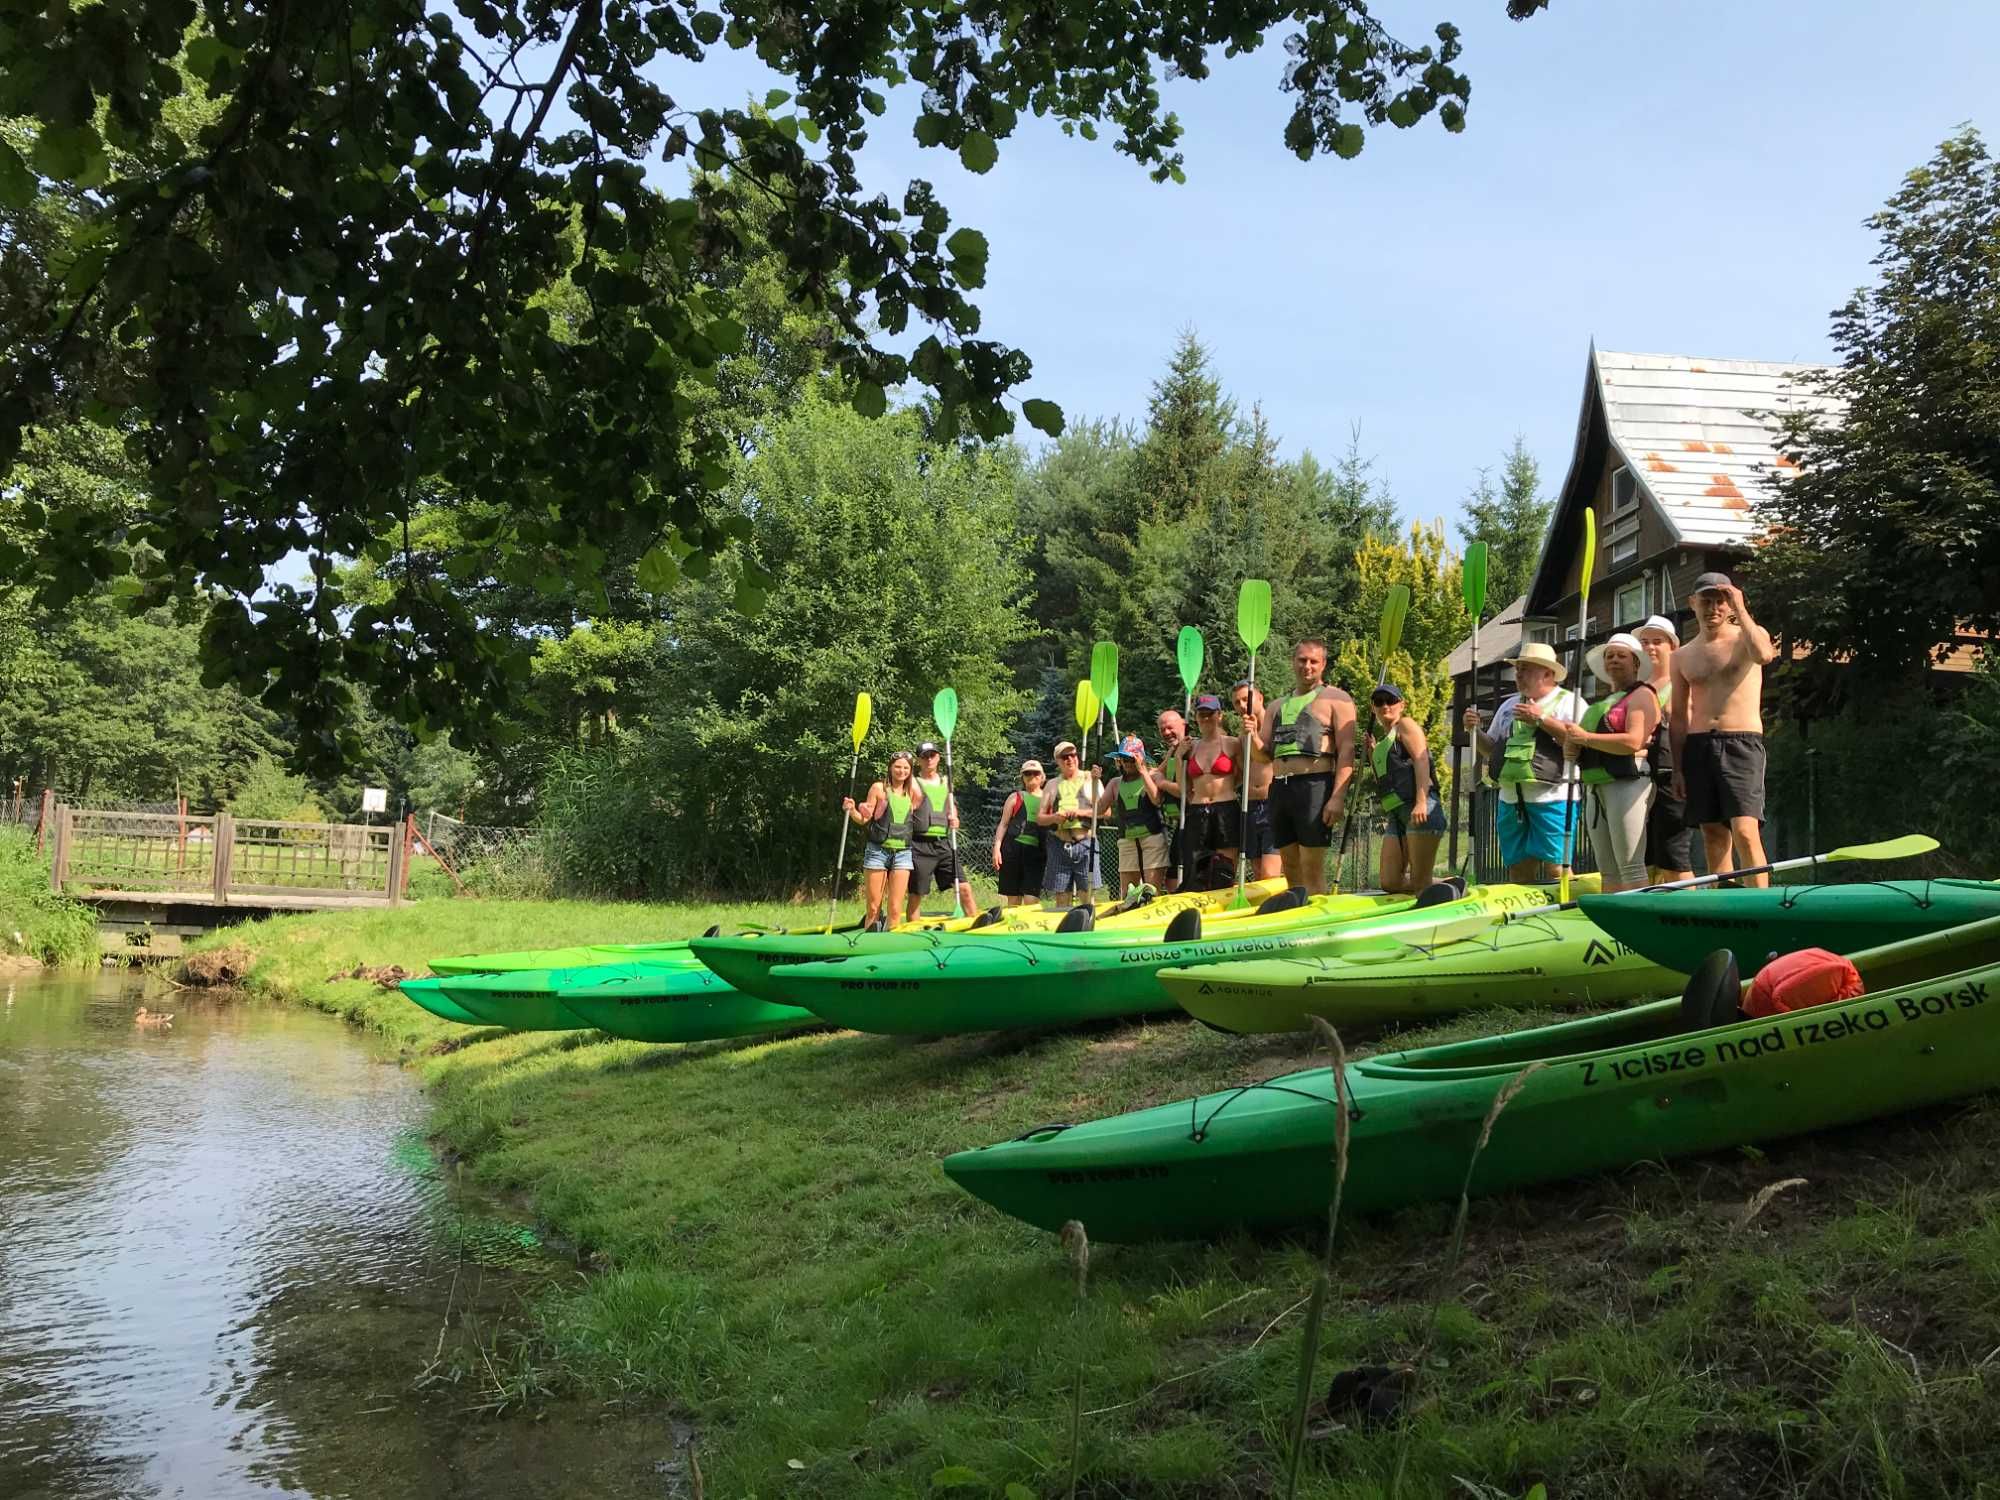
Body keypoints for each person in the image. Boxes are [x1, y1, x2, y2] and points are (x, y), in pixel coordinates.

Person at [1670, 573, 1778, 887]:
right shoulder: (1682, 655)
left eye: (1720, 600)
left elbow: (1765, 655)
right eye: (1706, 600)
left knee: (1745, 831)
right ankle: (1725, 907)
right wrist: (1677, 768)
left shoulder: (1748, 636)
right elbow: (1678, 717)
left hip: (1741, 742)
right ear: (1693, 603)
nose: (1713, 607)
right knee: (1713, 835)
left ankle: (1760, 908)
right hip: (1699, 745)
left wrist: (1740, 607)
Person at [1464, 641, 1582, 883]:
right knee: (1518, 871)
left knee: (1557, 871)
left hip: (1554, 798)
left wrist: (1542, 720)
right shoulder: (1508, 705)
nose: (1518, 674)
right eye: (1518, 669)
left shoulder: (1570, 703)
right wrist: (1474, 731)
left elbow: (1580, 743)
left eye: (1526, 668)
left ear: (1548, 673)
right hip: (1510, 801)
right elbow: (1492, 751)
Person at [1553, 632, 1660, 892]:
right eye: (1609, 656)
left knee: (1630, 864)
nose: (1614, 660)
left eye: (1621, 656)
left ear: (1636, 663)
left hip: (1628, 783)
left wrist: (1585, 738)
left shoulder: (1642, 695)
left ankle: (1638, 923)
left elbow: (1634, 741)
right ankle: (1614, 926)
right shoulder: (1602, 704)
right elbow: (1581, 744)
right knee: (1607, 869)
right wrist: (1572, 745)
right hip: (1596, 786)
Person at [1253, 637, 1356, 895]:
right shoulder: (1277, 706)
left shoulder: (1338, 700)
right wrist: (1250, 735)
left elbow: (1346, 750)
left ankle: (1319, 921)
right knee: (1290, 866)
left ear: (1323, 665)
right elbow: (1264, 755)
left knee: (1312, 867)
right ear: (1293, 662)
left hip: (1315, 786)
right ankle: (1296, 913)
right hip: (1280, 788)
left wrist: (1338, 797)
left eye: (1313, 661)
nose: (1306, 666)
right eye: (1302, 660)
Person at [1365, 684, 1445, 893]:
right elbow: (1383, 780)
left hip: (1418, 807)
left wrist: (1421, 801)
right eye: (1379, 702)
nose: (1385, 706)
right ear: (1373, 707)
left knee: (1419, 881)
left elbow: (1421, 761)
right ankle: (1446, 884)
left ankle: (1436, 895)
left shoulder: (1406, 725)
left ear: (1401, 704)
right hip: (1396, 814)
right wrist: (1372, 754)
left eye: (1390, 701)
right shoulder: (1382, 743)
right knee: (1390, 882)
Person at [1157, 694, 1239, 889]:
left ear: (1219, 715)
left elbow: (1241, 775)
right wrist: (1178, 757)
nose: (1206, 718)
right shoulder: (1190, 747)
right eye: (1202, 714)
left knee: (1224, 868)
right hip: (1197, 810)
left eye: (1210, 714)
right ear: (1196, 717)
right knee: (1196, 868)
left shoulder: (1232, 744)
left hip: (1225, 809)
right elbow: (1185, 787)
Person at [1634, 614, 1694, 883]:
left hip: (1673, 776)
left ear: (1673, 647)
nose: (1649, 647)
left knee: (1673, 855)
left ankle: (1688, 912)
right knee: (1648, 857)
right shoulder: (1639, 688)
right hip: (1638, 780)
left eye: (1657, 641)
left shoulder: (1682, 683)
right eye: (1644, 642)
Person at [843, 750, 927, 929]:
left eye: (906, 768)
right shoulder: (878, 788)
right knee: (873, 908)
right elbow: (864, 819)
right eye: (897, 766)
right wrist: (852, 810)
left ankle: (891, 947)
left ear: (910, 771)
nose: (901, 771)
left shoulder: (912, 792)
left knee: (896, 909)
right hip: (878, 852)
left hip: (903, 853)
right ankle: (869, 943)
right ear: (890, 767)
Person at [906, 741, 978, 921]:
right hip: (919, 845)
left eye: (932, 755)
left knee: (964, 889)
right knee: (916, 894)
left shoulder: (947, 782)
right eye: (924, 756)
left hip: (943, 844)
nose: (929, 759)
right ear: (919, 760)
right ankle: (912, 934)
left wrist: (955, 817)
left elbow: (951, 807)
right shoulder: (913, 783)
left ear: (938, 757)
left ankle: (976, 925)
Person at [1096, 735, 1172, 896]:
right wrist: (1095, 782)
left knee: (1151, 892)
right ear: (1120, 760)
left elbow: (1157, 799)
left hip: (1152, 839)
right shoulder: (1115, 783)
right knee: (1128, 895)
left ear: (1140, 758)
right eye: (1124, 759)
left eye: (1132, 758)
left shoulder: (1152, 775)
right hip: (1127, 841)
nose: (1128, 763)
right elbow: (1099, 809)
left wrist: (1143, 771)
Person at [1035, 740, 1102, 907]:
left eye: (1073, 755)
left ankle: (1087, 928)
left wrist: (1080, 813)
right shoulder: (1052, 784)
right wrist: (1055, 818)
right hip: (1059, 845)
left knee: (1087, 897)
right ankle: (1065, 930)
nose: (1070, 759)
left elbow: (1104, 812)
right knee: (1062, 900)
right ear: (1058, 760)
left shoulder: (1090, 778)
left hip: (1086, 843)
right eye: (1065, 756)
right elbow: (1040, 818)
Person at [1230, 681, 1283, 880]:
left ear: (1260, 698)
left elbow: (1269, 756)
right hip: (1249, 807)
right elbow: (1242, 771)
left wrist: (1254, 735)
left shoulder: (1275, 726)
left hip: (1272, 803)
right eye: (1237, 702)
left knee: (1270, 874)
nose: (1242, 705)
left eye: (1246, 699)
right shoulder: (1242, 736)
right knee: (1259, 872)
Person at [991, 760, 1048, 907]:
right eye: (1027, 773)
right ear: (1022, 777)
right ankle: (1013, 929)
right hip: (1012, 851)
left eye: (1035, 773)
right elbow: (1003, 824)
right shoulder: (1015, 797)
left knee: (1031, 899)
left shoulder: (1048, 799)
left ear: (1042, 777)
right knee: (1014, 900)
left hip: (1036, 853)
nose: (1031, 776)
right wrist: (996, 849)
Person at [1154, 709, 1188, 890]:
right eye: (1162, 729)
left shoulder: (1190, 748)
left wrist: (1162, 783)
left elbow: (1186, 791)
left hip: (1194, 820)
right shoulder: (1172, 751)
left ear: (1183, 725)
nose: (1166, 733)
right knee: (1172, 878)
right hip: (1179, 822)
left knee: (1176, 876)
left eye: (1170, 727)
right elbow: (1157, 772)